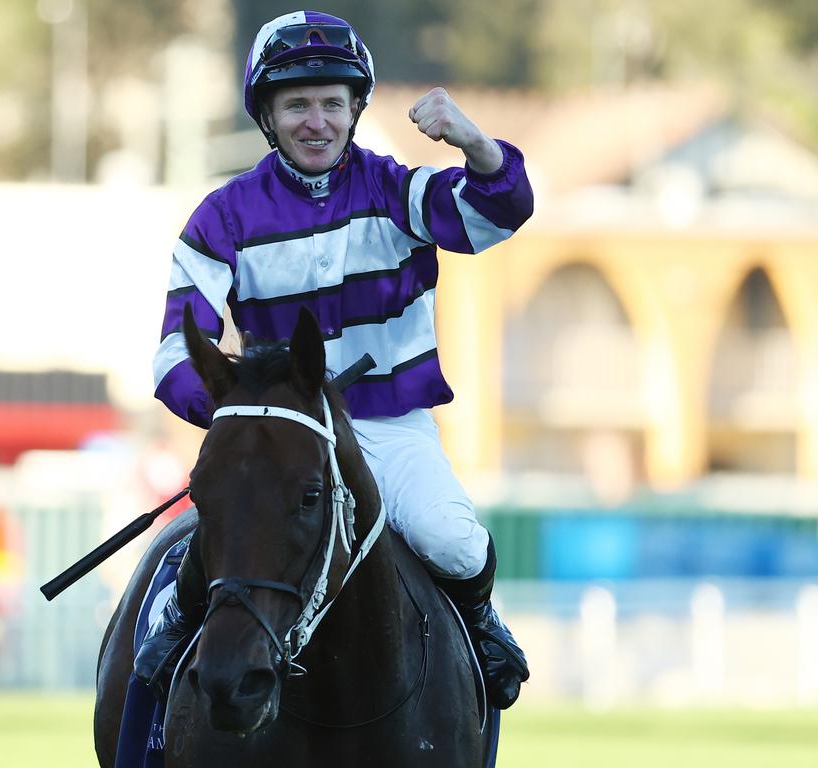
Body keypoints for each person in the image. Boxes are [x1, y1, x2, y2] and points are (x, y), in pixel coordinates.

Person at [138, 10, 533, 710]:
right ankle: (168, 645)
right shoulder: (222, 216)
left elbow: (501, 210)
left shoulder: (399, 193)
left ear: (355, 109)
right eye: (296, 105)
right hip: (276, 436)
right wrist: (236, 411)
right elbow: (176, 348)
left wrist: (469, 138)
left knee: (454, 541)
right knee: (212, 556)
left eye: (330, 103)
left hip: (390, 429)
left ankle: (482, 624)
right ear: (267, 116)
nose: (314, 121)